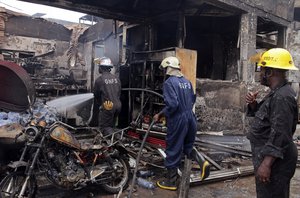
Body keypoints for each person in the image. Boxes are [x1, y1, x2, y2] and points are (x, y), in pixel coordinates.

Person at [246, 48, 298, 198]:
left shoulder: (282, 97)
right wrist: (254, 105)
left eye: (262, 69)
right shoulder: (277, 92)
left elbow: (280, 132)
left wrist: (267, 164)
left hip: (276, 163)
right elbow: (269, 120)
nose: (260, 73)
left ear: (270, 72)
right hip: (271, 158)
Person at [153, 56, 210, 191]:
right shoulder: (187, 82)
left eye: (164, 69)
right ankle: (202, 161)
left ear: (168, 68)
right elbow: (192, 99)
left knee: (173, 148)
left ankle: (171, 182)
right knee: (187, 145)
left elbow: (173, 104)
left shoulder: (169, 83)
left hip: (178, 119)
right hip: (190, 116)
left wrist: (161, 114)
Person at [90, 57, 122, 136]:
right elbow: (119, 93)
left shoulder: (99, 80)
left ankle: (117, 140)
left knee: (105, 127)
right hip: (118, 106)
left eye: (99, 67)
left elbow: (96, 95)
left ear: (102, 68)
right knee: (112, 126)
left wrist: (101, 105)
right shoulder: (116, 79)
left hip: (108, 106)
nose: (98, 68)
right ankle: (113, 143)